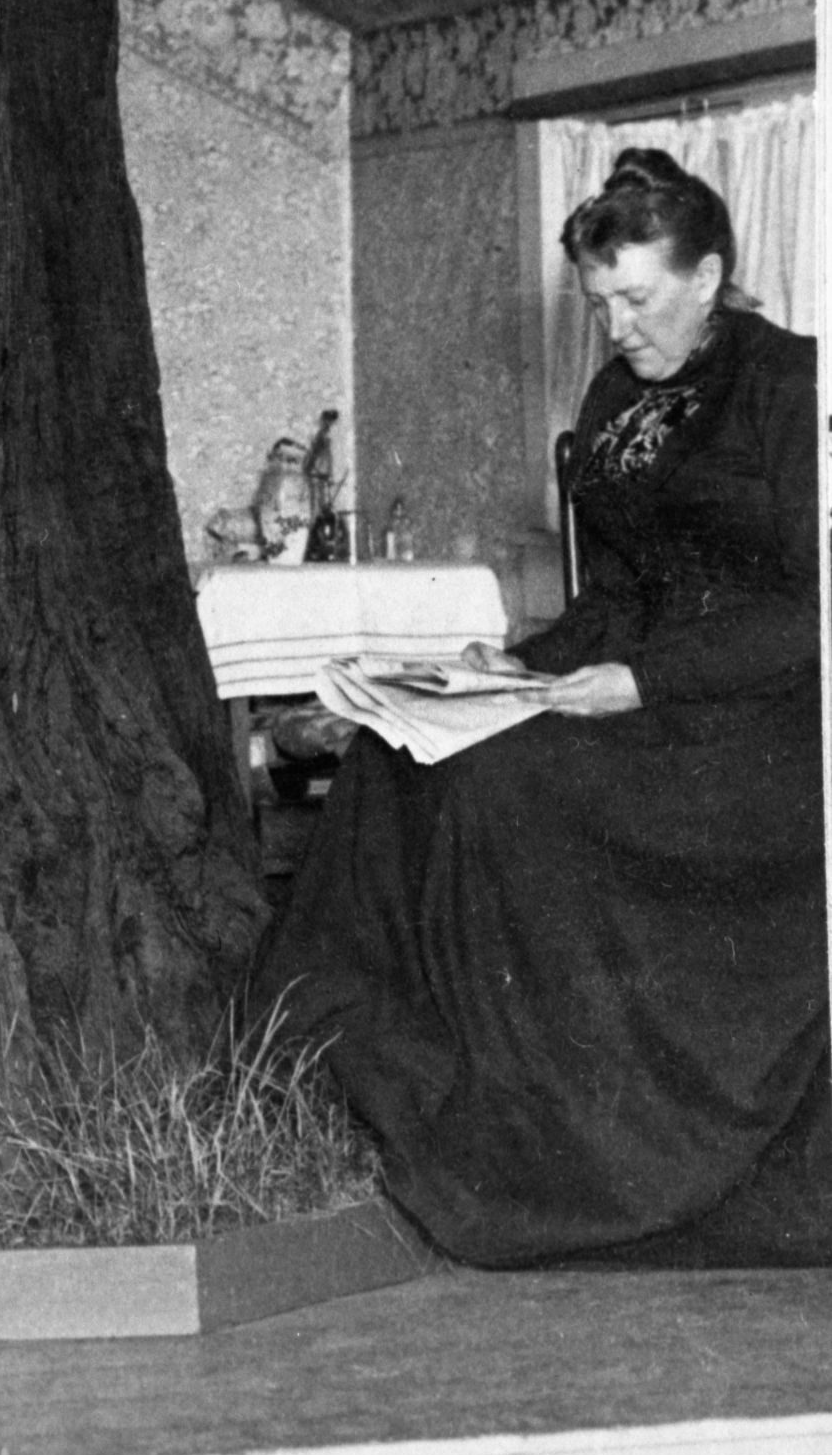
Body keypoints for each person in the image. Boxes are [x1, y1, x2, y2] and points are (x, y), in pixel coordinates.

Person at [255, 149, 824, 1266]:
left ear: (709, 275)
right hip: (643, 693)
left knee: (509, 783)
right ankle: (355, 1075)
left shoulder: (795, 386)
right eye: (599, 300)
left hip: (770, 725)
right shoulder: (616, 394)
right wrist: (513, 662)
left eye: (636, 297)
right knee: (400, 757)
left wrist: (644, 680)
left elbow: (818, 610)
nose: (614, 325)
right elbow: (612, 595)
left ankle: (545, 1140)